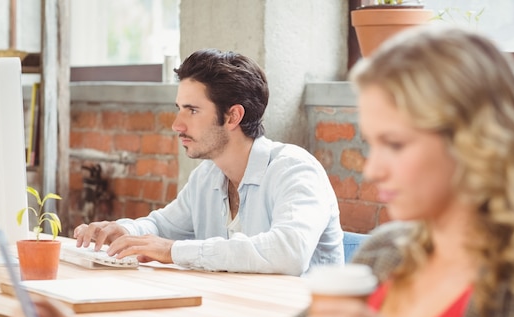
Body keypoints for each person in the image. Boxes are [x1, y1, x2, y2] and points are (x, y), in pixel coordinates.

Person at [12, 26, 514, 317]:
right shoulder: (391, 252)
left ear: (474, 144)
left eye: (394, 142)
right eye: (372, 142)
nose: (373, 167)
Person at [73, 49, 343, 276]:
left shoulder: (295, 170)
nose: (177, 125)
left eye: (192, 110)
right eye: (179, 109)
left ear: (233, 116)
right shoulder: (207, 176)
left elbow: (289, 252)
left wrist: (172, 251)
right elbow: (160, 227)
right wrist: (124, 232)